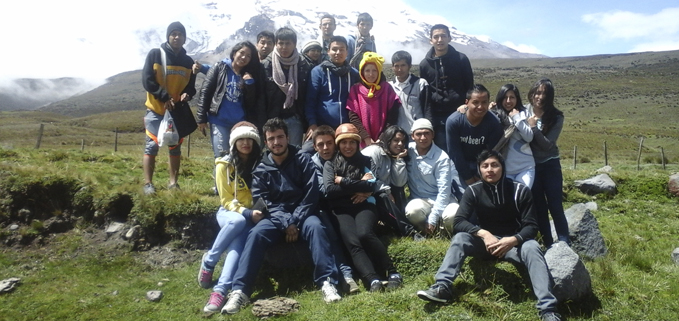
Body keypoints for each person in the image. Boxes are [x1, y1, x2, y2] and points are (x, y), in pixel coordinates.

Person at [416, 150, 562, 321]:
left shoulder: (520, 191)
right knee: (460, 238)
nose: (490, 170)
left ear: (503, 168)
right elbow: (459, 222)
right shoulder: (473, 191)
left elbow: (531, 226)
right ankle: (442, 287)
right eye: (484, 166)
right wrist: (484, 234)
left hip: (513, 246)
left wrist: (513, 240)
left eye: (494, 165)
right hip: (485, 245)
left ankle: (548, 310)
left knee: (532, 246)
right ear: (479, 170)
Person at [223, 118, 341, 315]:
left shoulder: (303, 159)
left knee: (317, 228)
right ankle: (240, 290)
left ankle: (327, 282)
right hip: (275, 217)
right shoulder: (261, 167)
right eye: (271, 139)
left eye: (280, 137)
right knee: (256, 234)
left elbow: (311, 194)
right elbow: (263, 201)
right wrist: (286, 222)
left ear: (287, 137)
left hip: (303, 213)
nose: (276, 142)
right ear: (266, 141)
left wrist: (294, 220)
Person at [324, 123, 403, 292]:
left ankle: (393, 272)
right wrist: (360, 184)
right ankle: (372, 278)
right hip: (341, 210)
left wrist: (343, 182)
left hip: (365, 206)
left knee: (364, 233)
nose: (348, 146)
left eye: (352, 142)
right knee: (352, 241)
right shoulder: (330, 164)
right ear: (338, 144)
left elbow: (371, 186)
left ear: (357, 143)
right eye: (344, 142)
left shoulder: (367, 161)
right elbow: (330, 190)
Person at [197, 122, 263, 313]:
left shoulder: (260, 163)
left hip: (250, 215)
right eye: (241, 139)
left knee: (237, 246)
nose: (245, 143)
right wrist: (246, 213)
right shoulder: (223, 165)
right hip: (230, 213)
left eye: (249, 139)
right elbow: (226, 200)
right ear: (233, 142)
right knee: (238, 220)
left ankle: (219, 291)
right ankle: (210, 261)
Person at [141, 21, 196, 195]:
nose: (177, 37)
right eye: (173, 34)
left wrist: (187, 94)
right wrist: (163, 97)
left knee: (175, 147)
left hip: (176, 112)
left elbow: (191, 86)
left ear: (185, 38)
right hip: (156, 109)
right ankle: (148, 184)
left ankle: (173, 183)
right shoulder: (155, 54)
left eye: (180, 34)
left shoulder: (188, 62)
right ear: (168, 36)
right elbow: (147, 80)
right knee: (151, 146)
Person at [310, 125, 360, 294]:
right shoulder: (313, 164)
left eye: (329, 143)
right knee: (332, 233)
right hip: (323, 207)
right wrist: (357, 187)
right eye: (321, 144)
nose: (325, 148)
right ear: (315, 147)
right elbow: (325, 191)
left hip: (347, 204)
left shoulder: (344, 157)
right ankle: (346, 275)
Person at [196, 41, 265, 158]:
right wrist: (201, 118)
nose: (244, 57)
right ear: (234, 53)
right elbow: (205, 91)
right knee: (222, 157)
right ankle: (221, 177)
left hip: (240, 123)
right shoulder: (220, 67)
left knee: (239, 158)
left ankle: (236, 177)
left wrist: (249, 84)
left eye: (248, 56)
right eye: (241, 53)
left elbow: (250, 102)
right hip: (219, 121)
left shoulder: (248, 75)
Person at [526, 78, 569, 247]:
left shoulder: (556, 117)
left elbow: (547, 146)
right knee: (539, 207)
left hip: (550, 165)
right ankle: (548, 242)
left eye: (544, 93)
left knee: (555, 204)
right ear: (532, 93)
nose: (540, 96)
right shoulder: (525, 110)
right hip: (532, 166)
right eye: (537, 92)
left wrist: (534, 128)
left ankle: (565, 241)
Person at [419, 24, 474, 151]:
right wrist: (429, 119)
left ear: (449, 38)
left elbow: (469, 86)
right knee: (443, 152)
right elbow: (426, 94)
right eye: (436, 37)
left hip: (460, 113)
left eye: (443, 36)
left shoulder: (461, 59)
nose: (440, 40)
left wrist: (466, 106)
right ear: (430, 40)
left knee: (463, 150)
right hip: (438, 118)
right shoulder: (425, 65)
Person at [361, 125, 419, 238]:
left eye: (402, 141)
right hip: (364, 193)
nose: (400, 144)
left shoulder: (391, 155)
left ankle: (400, 226)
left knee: (399, 190)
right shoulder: (374, 152)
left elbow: (399, 183)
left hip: (379, 191)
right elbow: (369, 179)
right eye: (396, 140)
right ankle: (409, 231)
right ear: (387, 140)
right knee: (383, 196)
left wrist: (399, 159)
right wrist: (387, 191)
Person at [405, 119, 460, 235]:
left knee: (453, 215)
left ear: (433, 135)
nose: (423, 138)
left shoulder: (441, 157)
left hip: (443, 200)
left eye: (426, 133)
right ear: (412, 136)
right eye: (419, 134)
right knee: (412, 211)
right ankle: (425, 230)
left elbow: (444, 192)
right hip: (420, 201)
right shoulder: (407, 151)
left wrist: (433, 217)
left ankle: (443, 232)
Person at [261, 27, 313, 147]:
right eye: (281, 43)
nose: (284, 47)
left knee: (294, 155)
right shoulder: (265, 66)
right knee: (273, 153)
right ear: (276, 44)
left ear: (294, 44)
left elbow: (308, 96)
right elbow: (261, 97)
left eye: (288, 43)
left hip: (294, 118)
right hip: (271, 119)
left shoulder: (304, 65)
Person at [446, 84, 502, 190]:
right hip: (460, 165)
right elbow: (455, 153)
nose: (480, 107)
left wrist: (478, 176)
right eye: (475, 102)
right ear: (467, 102)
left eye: (484, 102)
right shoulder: (454, 121)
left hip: (483, 166)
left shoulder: (494, 123)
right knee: (464, 197)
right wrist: (469, 179)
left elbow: (492, 152)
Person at [304, 36, 360, 139]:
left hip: (348, 128)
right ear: (328, 51)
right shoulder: (318, 72)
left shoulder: (354, 74)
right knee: (306, 152)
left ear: (347, 52)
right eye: (334, 49)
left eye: (342, 49)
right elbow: (310, 101)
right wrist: (312, 123)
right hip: (323, 128)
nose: (338, 52)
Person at [346, 52, 401, 147]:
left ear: (379, 71)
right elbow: (353, 116)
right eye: (367, 71)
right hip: (363, 140)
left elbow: (393, 115)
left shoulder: (387, 88)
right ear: (362, 72)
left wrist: (383, 136)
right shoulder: (355, 90)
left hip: (384, 139)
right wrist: (365, 137)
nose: (371, 74)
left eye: (374, 70)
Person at [491, 84, 535, 187]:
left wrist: (516, 118)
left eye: (512, 97)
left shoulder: (524, 114)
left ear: (517, 99)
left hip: (525, 167)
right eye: (505, 98)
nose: (508, 101)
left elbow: (529, 137)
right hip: (504, 169)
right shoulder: (494, 116)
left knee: (521, 197)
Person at [390, 50, 431, 134]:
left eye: (403, 65)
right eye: (396, 66)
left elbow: (428, 109)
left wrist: (428, 130)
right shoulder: (389, 86)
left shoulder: (420, 83)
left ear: (410, 66)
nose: (399, 69)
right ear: (392, 67)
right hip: (397, 134)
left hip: (418, 133)